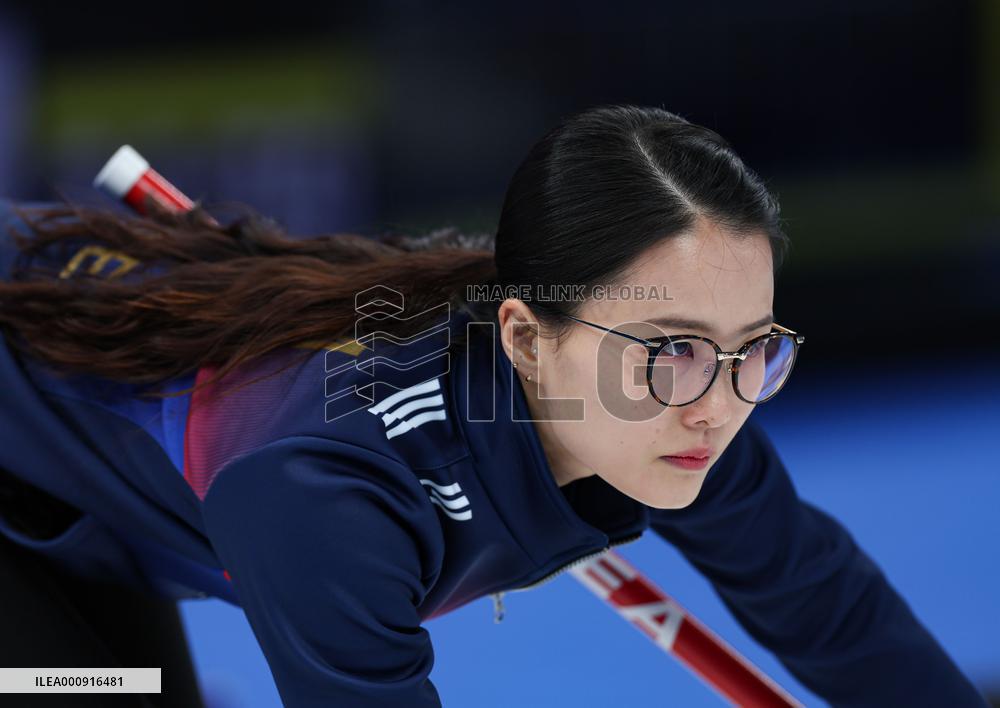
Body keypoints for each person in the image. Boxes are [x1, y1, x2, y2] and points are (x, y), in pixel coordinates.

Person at [0, 104, 987, 708]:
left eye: (751, 352)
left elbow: (827, 608)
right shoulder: (328, 491)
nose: (721, 406)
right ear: (525, 336)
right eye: (679, 350)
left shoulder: (675, 399)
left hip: (93, 493)